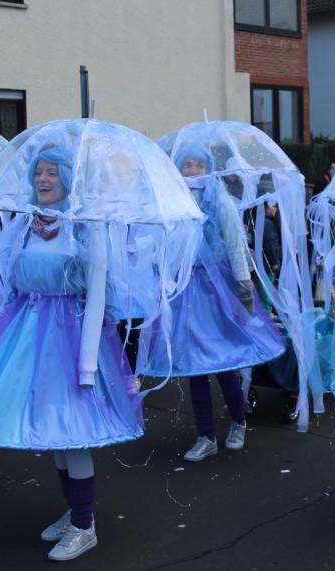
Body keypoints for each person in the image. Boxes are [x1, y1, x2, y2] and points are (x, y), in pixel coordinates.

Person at [0, 148, 143, 562]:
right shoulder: (27, 223)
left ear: (69, 178)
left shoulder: (87, 226)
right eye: (38, 172)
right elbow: (11, 282)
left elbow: (96, 296)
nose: (42, 179)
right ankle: (75, 512)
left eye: (52, 172)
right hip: (30, 334)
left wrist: (87, 364)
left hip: (70, 339)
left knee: (73, 432)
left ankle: (84, 526)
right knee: (54, 432)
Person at [140, 144, 285, 462]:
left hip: (216, 290)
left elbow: (235, 245)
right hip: (185, 290)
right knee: (195, 367)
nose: (192, 170)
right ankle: (205, 435)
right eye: (186, 164)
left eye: (198, 165)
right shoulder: (172, 202)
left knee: (223, 363)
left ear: (208, 169)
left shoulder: (219, 200)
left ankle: (238, 421)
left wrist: (244, 286)